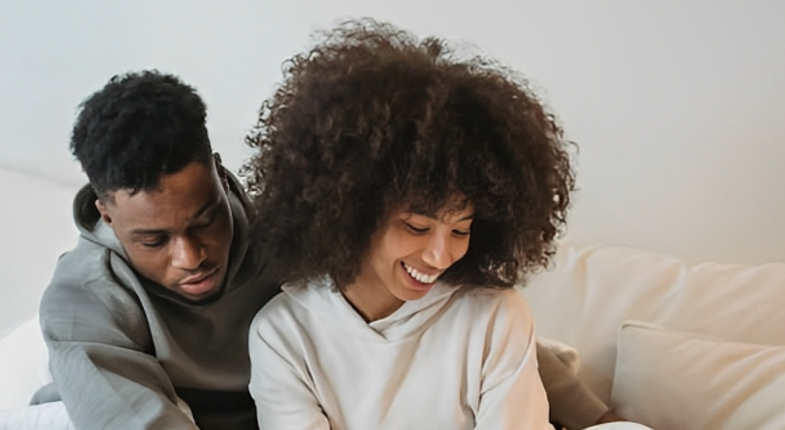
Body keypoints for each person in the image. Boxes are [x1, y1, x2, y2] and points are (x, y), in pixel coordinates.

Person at [243, 19, 583, 429]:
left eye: (461, 229)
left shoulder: (494, 317)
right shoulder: (284, 334)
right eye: (417, 227)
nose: (441, 254)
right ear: (352, 213)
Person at [36, 70, 280, 430]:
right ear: (107, 217)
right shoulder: (80, 298)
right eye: (154, 241)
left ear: (220, 172)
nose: (191, 258)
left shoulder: (290, 235)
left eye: (205, 221)